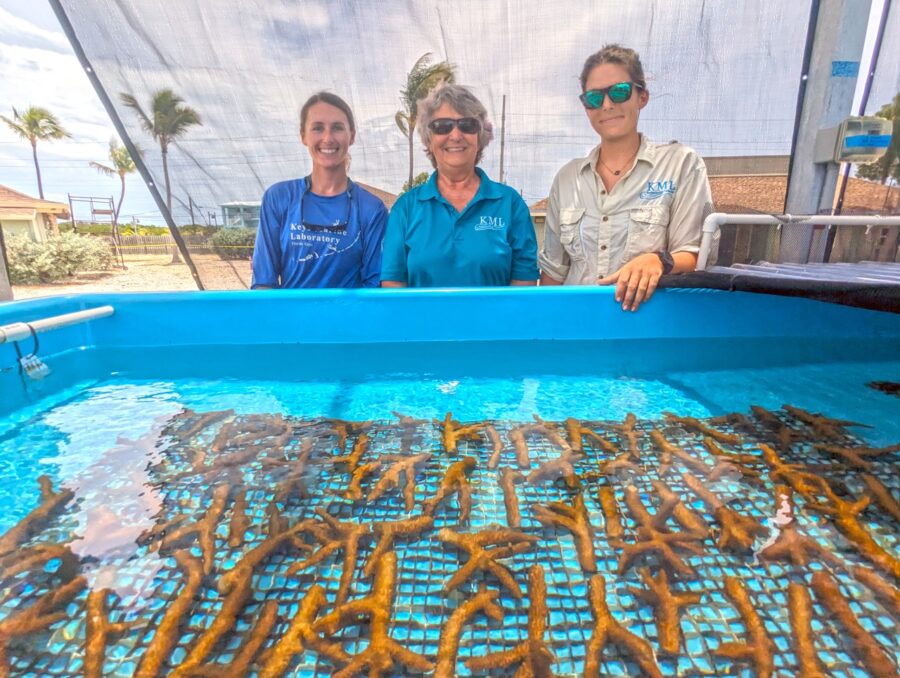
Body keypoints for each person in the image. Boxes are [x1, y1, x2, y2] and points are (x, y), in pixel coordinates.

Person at [539, 45, 714, 311]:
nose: (607, 105)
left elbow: (695, 254)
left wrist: (658, 260)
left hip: (646, 323)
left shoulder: (680, 164)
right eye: (594, 98)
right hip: (576, 321)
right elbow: (554, 271)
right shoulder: (567, 178)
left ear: (642, 96)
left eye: (619, 92)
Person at [381, 84, 539, 287]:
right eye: (442, 126)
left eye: (467, 125)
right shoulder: (406, 209)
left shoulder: (510, 204)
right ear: (429, 140)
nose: (455, 136)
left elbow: (523, 285)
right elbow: (393, 286)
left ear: (480, 138)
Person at [251, 92, 388, 289]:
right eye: (317, 128)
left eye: (337, 128)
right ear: (303, 136)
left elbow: (374, 286)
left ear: (352, 136)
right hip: (290, 310)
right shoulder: (279, 198)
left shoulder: (371, 209)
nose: (328, 138)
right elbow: (264, 283)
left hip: (350, 310)